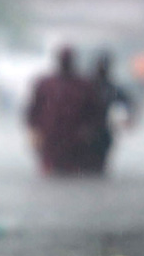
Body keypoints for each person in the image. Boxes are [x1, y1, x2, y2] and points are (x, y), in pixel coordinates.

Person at [25, 46, 106, 175]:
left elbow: (95, 113)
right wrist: (34, 132)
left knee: (70, 172)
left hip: (74, 141)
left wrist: (88, 131)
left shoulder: (84, 85)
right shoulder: (46, 84)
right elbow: (33, 110)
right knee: (54, 172)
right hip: (52, 139)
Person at [91, 51, 137, 173]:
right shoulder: (87, 87)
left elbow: (128, 102)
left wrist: (129, 119)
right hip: (91, 132)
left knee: (98, 166)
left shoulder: (110, 89)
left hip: (101, 132)